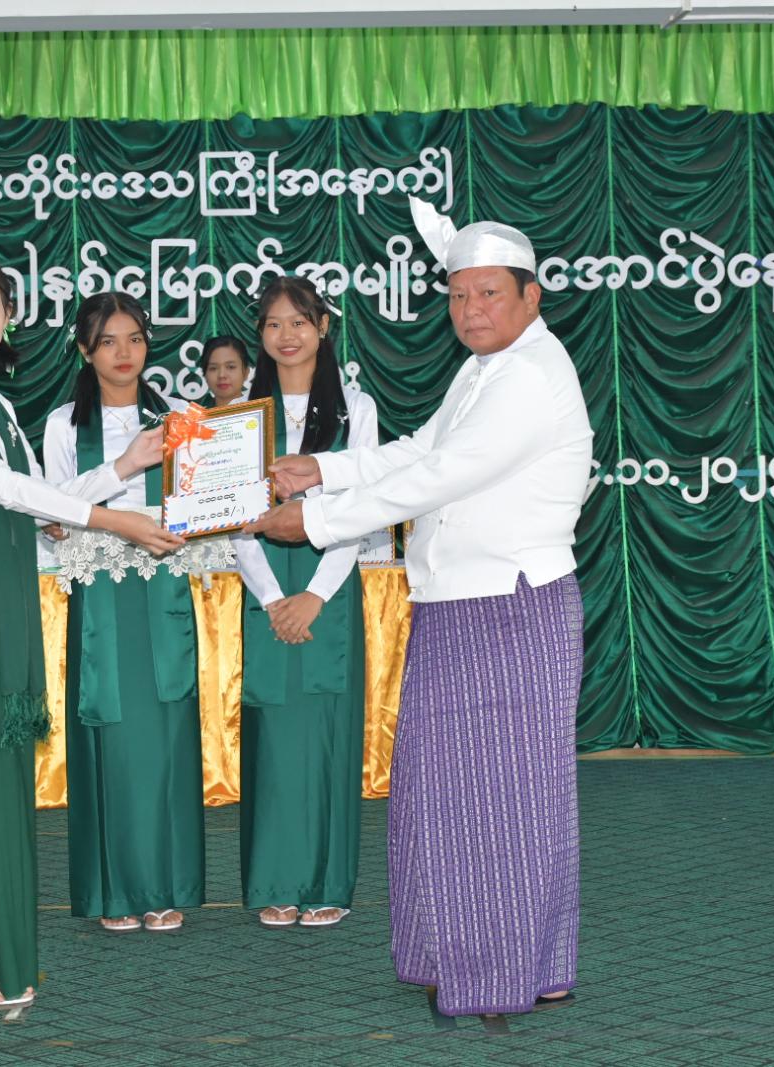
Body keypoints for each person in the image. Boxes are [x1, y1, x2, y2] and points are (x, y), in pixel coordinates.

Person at [244, 197, 594, 1017]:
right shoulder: (485, 369)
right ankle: (516, 960)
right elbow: (419, 449)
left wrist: (314, 520)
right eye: (459, 295)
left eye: (490, 294)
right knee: (455, 793)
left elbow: (440, 477)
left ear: (532, 294)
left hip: (507, 605)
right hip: (461, 604)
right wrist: (323, 469)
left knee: (496, 800)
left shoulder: (531, 376)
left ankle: (496, 976)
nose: (471, 310)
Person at [0, 251, 181, 1011]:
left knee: (3, 781)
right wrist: (116, 518)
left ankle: (0, 962)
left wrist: (126, 464)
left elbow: (40, 498)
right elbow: (1, 487)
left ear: (9, 319)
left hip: (5, 589)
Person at [42, 292, 203, 934]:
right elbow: (51, 507)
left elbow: (209, 502)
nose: (123, 352)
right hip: (102, 593)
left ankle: (164, 887)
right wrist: (123, 467)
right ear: (85, 350)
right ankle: (115, 891)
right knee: (111, 737)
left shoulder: (181, 418)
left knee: (165, 739)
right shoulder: (63, 425)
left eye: (134, 338)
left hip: (163, 590)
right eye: (107, 341)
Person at [234, 276, 377, 930]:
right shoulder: (242, 418)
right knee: (274, 739)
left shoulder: (356, 410)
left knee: (326, 738)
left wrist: (315, 595)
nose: (286, 335)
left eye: (299, 321)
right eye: (273, 324)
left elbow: (364, 508)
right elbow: (234, 522)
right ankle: (275, 881)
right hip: (265, 588)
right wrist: (273, 598)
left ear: (323, 326)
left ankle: (326, 882)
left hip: (330, 587)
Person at [198, 335, 252, 407]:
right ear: (205, 374)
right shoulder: (195, 413)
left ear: (246, 372)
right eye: (213, 368)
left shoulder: (262, 410)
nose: (221, 375)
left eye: (231, 367)